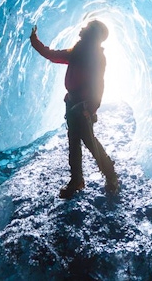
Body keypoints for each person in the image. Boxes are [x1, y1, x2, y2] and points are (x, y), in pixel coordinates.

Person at [30, 20, 119, 199]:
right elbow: (52, 55)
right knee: (74, 143)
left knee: (89, 142)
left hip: (82, 107)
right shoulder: (78, 51)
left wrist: (92, 107)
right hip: (72, 104)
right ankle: (77, 180)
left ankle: (110, 176)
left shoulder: (95, 56)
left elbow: (99, 83)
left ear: (93, 33)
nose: (82, 28)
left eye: (87, 27)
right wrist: (35, 41)